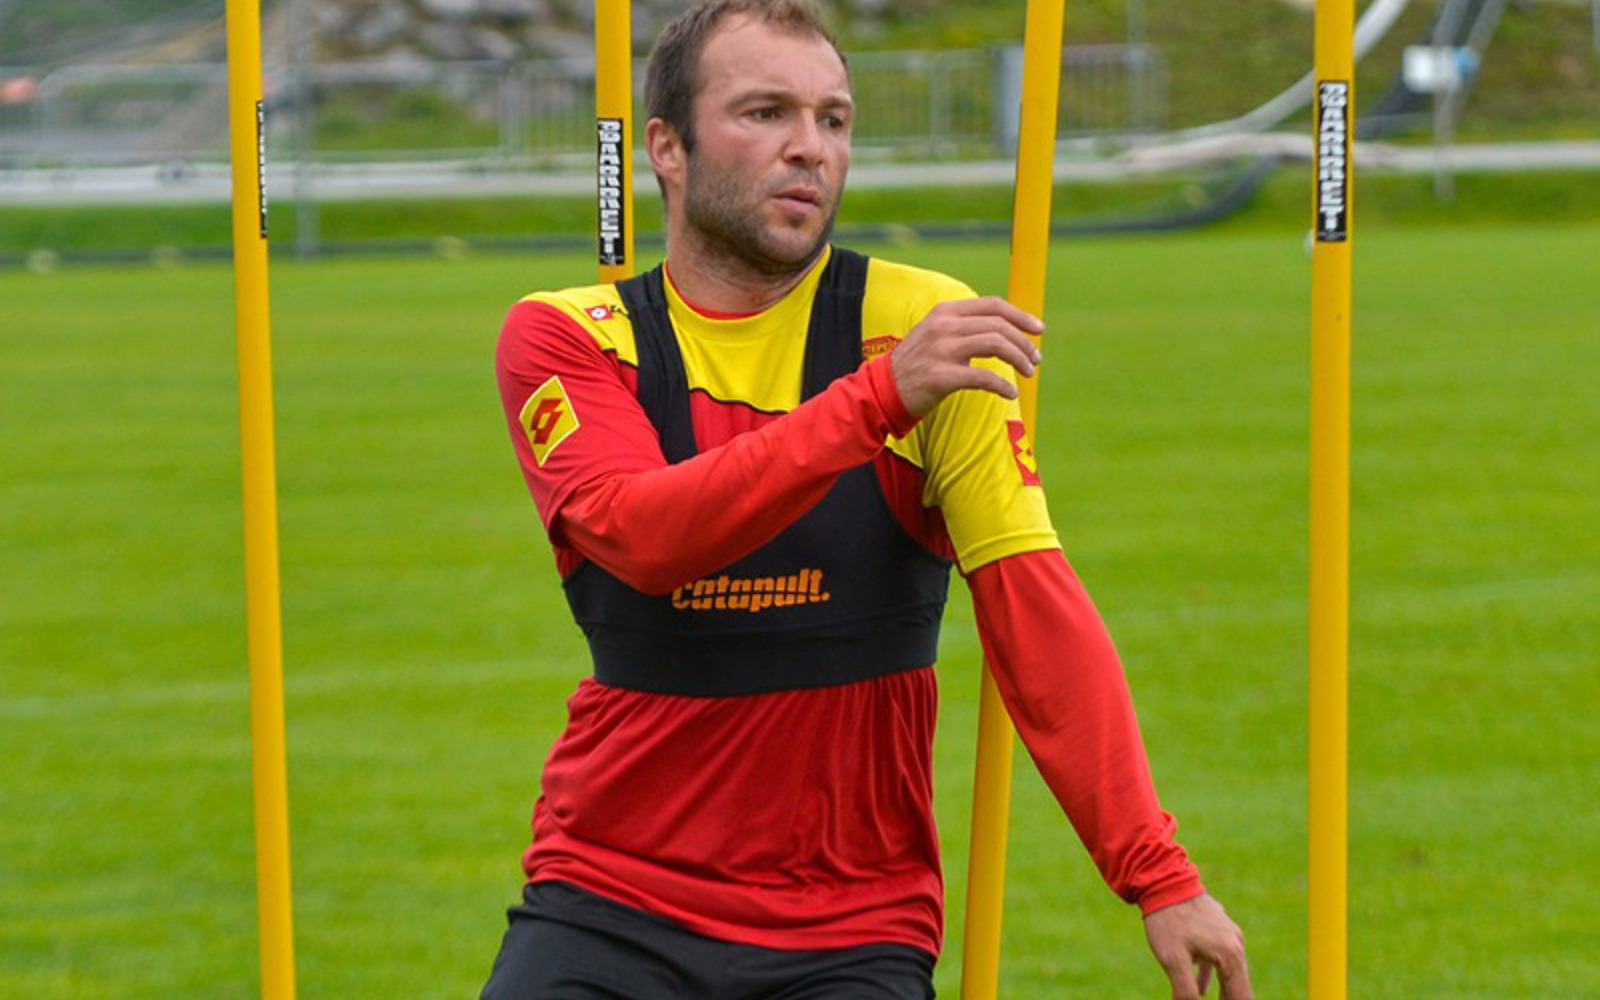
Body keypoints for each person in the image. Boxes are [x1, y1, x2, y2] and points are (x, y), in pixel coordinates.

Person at [483, 1, 1252, 997]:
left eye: (834, 119)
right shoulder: (571, 336)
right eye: (765, 112)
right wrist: (876, 400)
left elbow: (1032, 604)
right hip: (607, 898)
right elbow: (644, 536)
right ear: (666, 146)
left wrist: (1158, 874)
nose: (810, 146)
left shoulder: (921, 325)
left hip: (849, 924)